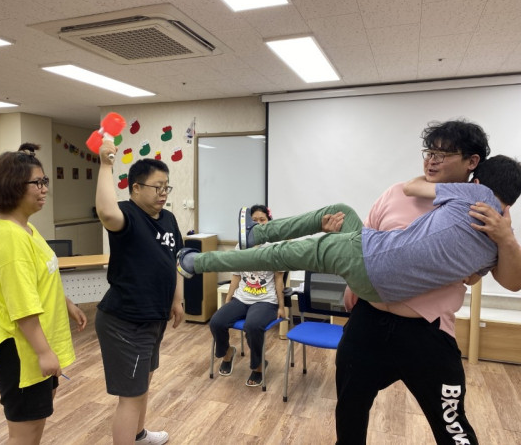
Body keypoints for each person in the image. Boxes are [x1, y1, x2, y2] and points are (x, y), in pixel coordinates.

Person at [334, 120, 521, 444]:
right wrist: (353, 284)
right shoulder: (396, 192)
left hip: (427, 334)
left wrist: (506, 239)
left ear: (472, 161)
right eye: (429, 152)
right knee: (349, 411)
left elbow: (512, 282)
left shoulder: (486, 210)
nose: (431, 161)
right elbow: (365, 243)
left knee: (453, 427)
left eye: (443, 154)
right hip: (368, 322)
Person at [176, 155, 521, 306]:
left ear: (476, 179)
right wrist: (505, 238)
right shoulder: (497, 241)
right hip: (378, 273)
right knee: (340, 212)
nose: (433, 160)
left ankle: (196, 263)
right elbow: (478, 279)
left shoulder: (474, 194)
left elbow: (413, 187)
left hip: (367, 259)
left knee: (279, 255)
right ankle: (256, 234)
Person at [0, 143, 88, 444]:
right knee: (25, 432)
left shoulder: (24, 228)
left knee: (35, 423)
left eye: (44, 181)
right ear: (12, 186)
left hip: (32, 344)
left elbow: (38, 279)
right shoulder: (10, 238)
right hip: (20, 350)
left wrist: (66, 304)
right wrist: (44, 352)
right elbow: (21, 304)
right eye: (37, 182)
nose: (44, 189)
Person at [95, 140, 184, 445]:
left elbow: (175, 260)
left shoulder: (169, 219)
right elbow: (105, 212)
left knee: (143, 382)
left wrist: (177, 298)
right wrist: (105, 165)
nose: (163, 193)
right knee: (131, 396)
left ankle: (139, 435)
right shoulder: (127, 214)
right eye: (157, 187)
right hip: (125, 320)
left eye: (166, 187)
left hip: (153, 318)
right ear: (135, 188)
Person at [209, 205, 285, 386]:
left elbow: (279, 279)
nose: (257, 224)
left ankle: (258, 366)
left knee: (252, 326)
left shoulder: (275, 248)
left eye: (262, 220)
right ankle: (227, 353)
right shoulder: (240, 246)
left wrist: (282, 307)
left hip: (266, 301)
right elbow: (236, 276)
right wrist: (228, 300)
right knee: (217, 321)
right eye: (254, 220)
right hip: (241, 298)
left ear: (269, 222)